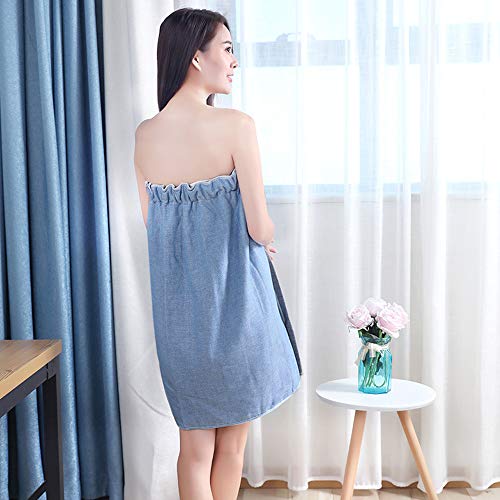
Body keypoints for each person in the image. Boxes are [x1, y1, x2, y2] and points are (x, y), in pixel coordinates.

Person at [133, 8, 302, 500]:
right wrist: (266, 236)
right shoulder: (236, 125)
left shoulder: (145, 135)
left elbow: (152, 223)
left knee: (194, 451)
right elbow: (259, 225)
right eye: (227, 49)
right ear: (195, 57)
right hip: (237, 311)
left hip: (180, 323)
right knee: (231, 448)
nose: (234, 61)